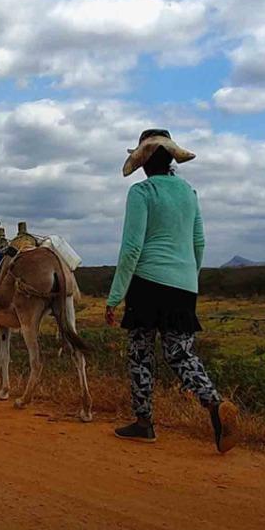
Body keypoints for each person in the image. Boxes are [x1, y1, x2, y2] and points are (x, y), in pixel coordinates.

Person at [103, 127, 238, 451]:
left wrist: (115, 297)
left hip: (147, 284)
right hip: (184, 285)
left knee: (140, 354)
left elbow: (132, 248)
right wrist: (189, 279)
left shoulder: (142, 192)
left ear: (143, 162)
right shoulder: (189, 192)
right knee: (181, 353)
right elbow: (199, 242)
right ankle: (214, 402)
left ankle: (144, 423)